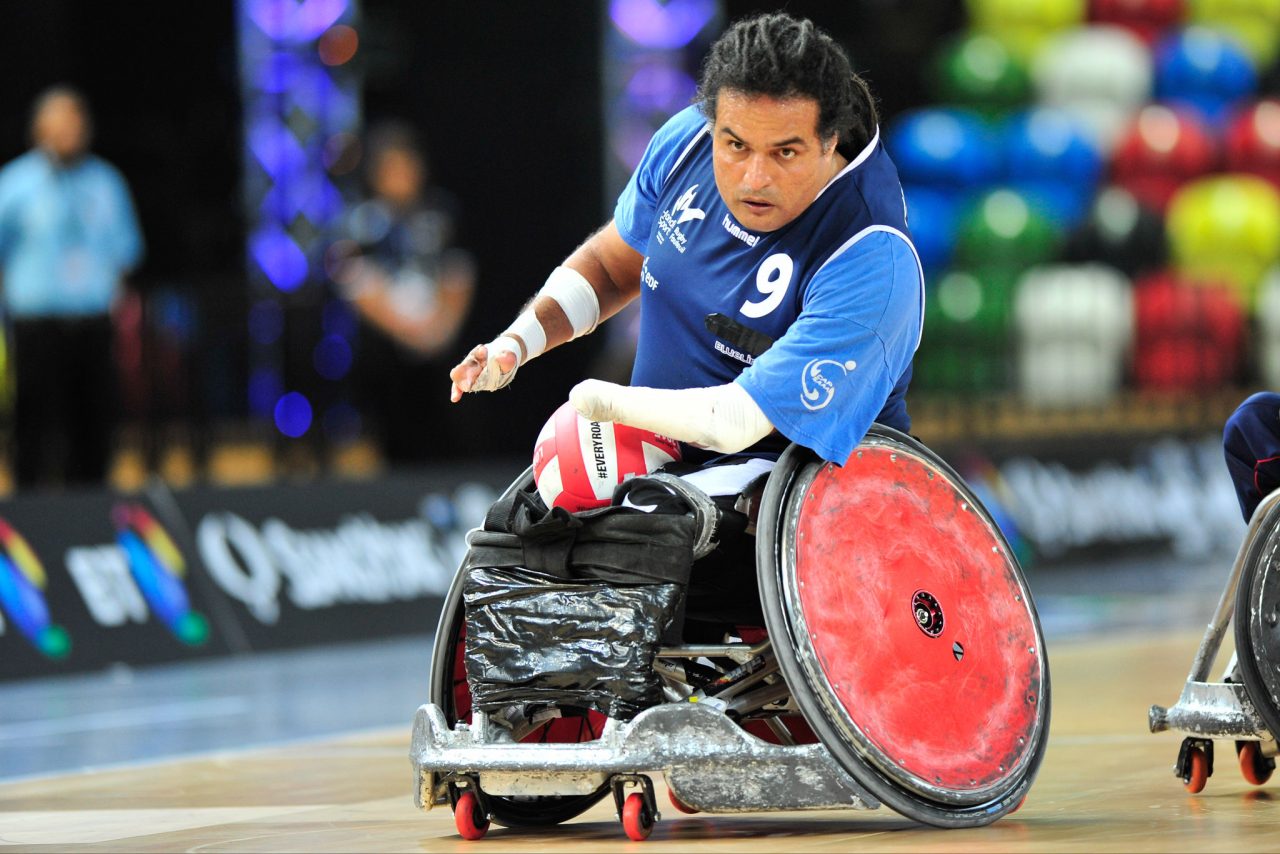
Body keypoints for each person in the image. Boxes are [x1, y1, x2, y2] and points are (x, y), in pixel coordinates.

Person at [450, 11, 921, 481]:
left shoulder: (873, 255)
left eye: (785, 152)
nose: (755, 178)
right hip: (664, 466)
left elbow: (735, 421)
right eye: (736, 146)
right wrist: (516, 343)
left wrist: (610, 407)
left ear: (829, 141)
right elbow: (609, 270)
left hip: (813, 505)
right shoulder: (686, 141)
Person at [0, 86, 144, 488]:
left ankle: (91, 511)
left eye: (76, 124)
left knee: (94, 426)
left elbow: (126, 251)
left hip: (92, 323)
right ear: (39, 130)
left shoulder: (106, 182)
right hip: (36, 325)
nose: (69, 133)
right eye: (60, 125)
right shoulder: (15, 184)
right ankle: (28, 509)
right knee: (32, 425)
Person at [332, 121, 475, 465]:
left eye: (407, 165)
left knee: (449, 426)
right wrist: (406, 331)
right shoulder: (360, 223)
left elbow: (459, 273)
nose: (402, 176)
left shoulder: (441, 214)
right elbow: (356, 283)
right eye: (392, 168)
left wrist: (439, 331)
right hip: (385, 355)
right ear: (376, 174)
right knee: (389, 430)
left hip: (439, 347)